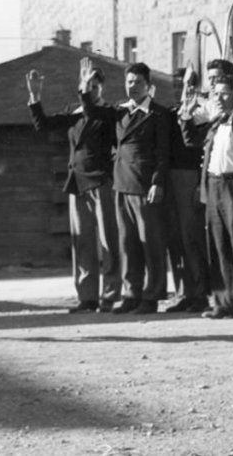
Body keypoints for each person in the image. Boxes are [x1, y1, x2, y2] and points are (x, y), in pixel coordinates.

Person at [28, 62, 121, 313]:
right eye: (88, 85)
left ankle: (111, 295)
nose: (91, 90)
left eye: (95, 86)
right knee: (82, 243)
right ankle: (87, 297)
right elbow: (43, 125)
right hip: (78, 182)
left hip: (101, 181)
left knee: (108, 242)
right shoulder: (74, 111)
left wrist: (84, 89)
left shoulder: (108, 112)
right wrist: (35, 96)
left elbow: (91, 111)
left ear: (101, 88)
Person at [81, 60, 170, 315]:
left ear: (148, 86)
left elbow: (163, 153)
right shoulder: (119, 111)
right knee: (127, 243)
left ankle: (152, 296)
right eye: (129, 82)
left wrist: (157, 182)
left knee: (150, 244)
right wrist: (85, 87)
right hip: (121, 184)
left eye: (138, 82)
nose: (132, 86)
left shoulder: (157, 114)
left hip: (144, 186)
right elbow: (92, 113)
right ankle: (132, 294)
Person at [180, 74, 233, 321]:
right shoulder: (216, 123)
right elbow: (192, 142)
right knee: (218, 246)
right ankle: (223, 301)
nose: (218, 98)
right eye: (215, 94)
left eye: (224, 93)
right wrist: (186, 116)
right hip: (214, 185)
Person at [164, 72, 210, 314]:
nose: (180, 91)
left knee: (191, 237)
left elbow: (202, 151)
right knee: (175, 239)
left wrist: (200, 183)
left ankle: (201, 292)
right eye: (176, 86)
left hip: (190, 178)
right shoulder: (169, 115)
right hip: (170, 178)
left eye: (186, 86)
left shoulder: (201, 116)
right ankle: (184, 291)